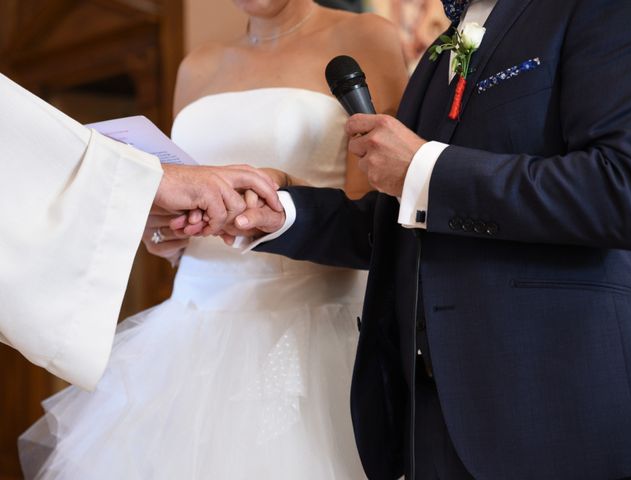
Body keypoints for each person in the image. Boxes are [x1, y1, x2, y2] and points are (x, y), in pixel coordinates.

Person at [228, 0, 631, 478]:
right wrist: (281, 215)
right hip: (433, 415)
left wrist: (427, 169)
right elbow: (410, 220)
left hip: (559, 409)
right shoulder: (437, 55)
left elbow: (624, 189)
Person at [19, 1, 406, 478]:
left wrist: (283, 193)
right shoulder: (197, 64)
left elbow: (380, 207)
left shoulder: (368, 37)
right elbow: (183, 180)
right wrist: (164, 236)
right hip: (189, 325)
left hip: (309, 325)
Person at [0, 73, 281, 390]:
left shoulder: (348, 34)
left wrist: (284, 192)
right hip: (195, 300)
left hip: (295, 306)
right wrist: (158, 207)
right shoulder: (196, 66)